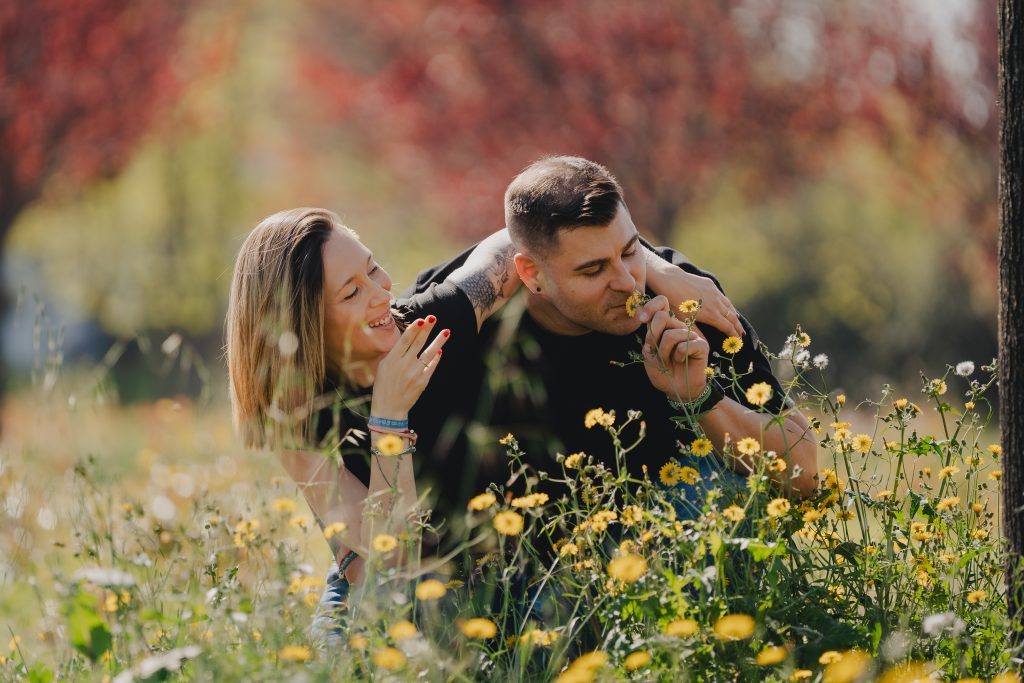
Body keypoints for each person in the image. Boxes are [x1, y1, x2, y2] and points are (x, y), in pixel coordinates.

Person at [224, 206, 729, 642]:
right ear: (303, 321)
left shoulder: (431, 324)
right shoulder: (292, 416)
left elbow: (522, 238)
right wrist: (388, 419)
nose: (382, 294)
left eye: (374, 269)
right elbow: (390, 556)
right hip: (392, 574)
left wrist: (659, 269)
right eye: (352, 293)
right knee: (334, 657)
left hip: (487, 569)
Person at [402, 156, 818, 533]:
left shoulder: (687, 303)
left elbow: (806, 475)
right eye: (593, 269)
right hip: (501, 579)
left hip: (659, 565)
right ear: (531, 273)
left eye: (632, 250)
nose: (626, 282)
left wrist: (697, 398)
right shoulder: (458, 319)